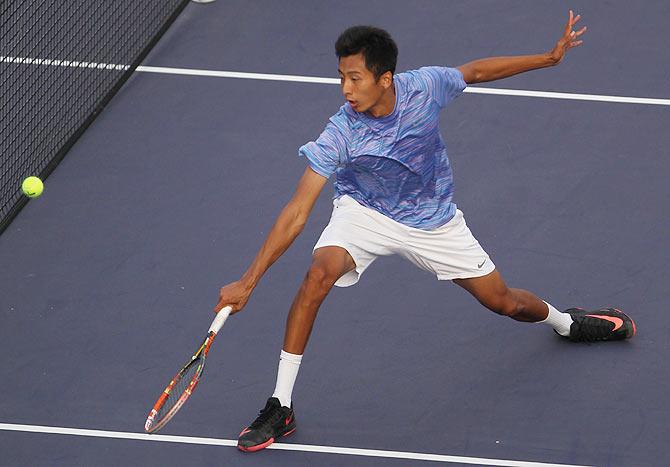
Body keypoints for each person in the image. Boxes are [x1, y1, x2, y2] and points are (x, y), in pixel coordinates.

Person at [214, 11, 635, 453]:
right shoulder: (341, 131)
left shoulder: (425, 87)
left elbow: (474, 72)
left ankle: (566, 323)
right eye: (341, 77)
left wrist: (548, 59)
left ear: (386, 79)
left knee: (503, 302)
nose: (345, 89)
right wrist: (249, 280)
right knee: (318, 274)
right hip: (366, 211)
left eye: (355, 78)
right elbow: (297, 211)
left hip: (434, 222)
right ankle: (281, 404)